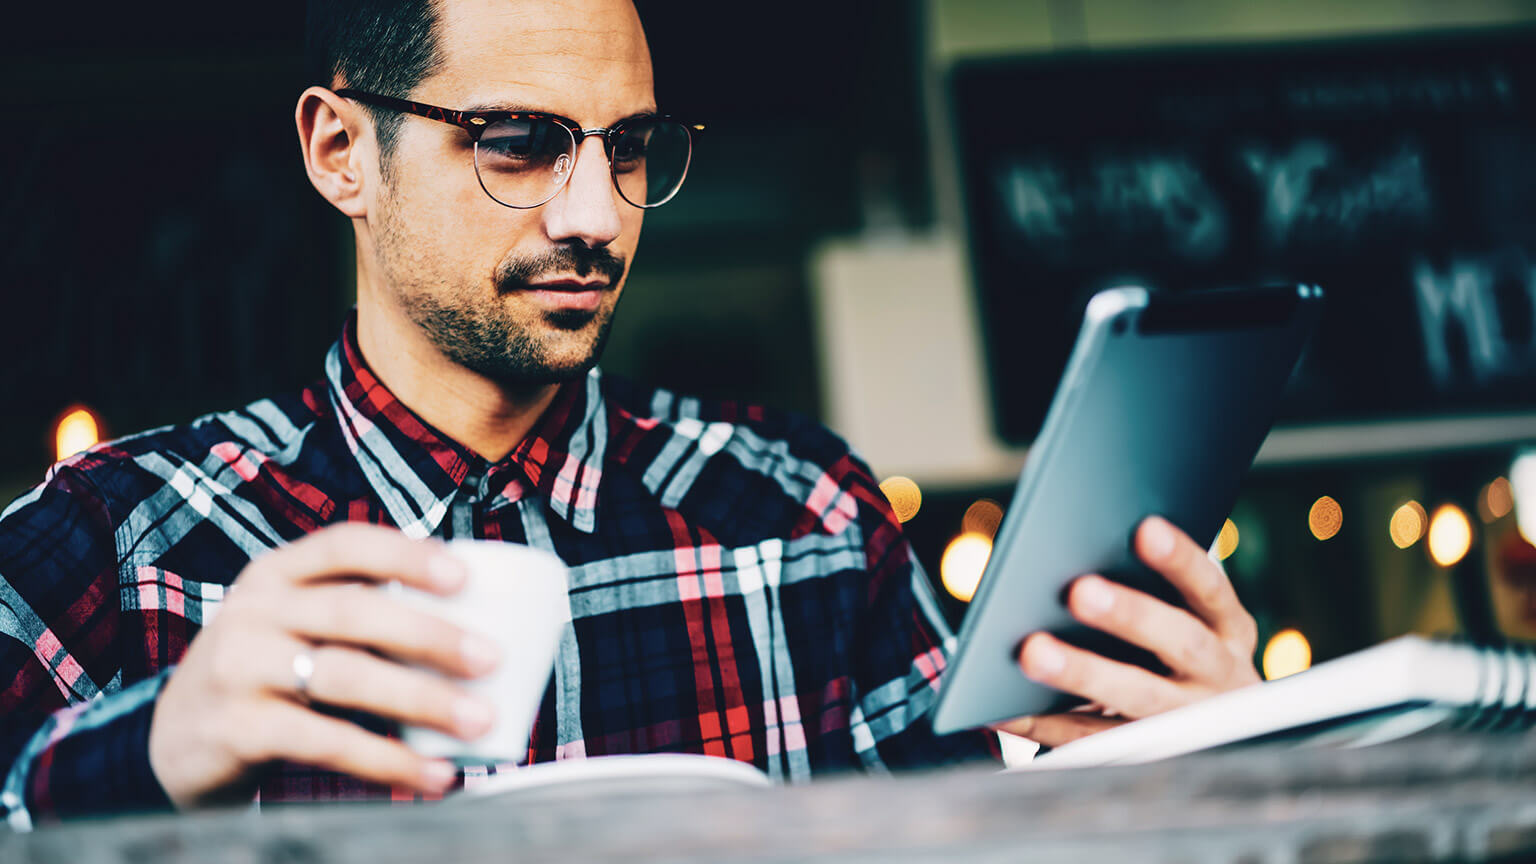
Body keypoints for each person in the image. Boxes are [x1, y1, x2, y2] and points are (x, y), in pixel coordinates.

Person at [0, 0, 1259, 828]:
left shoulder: (806, 521)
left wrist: (1185, 771)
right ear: (342, 153)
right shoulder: (124, 542)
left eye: (632, 146)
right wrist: (151, 748)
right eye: (518, 142)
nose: (597, 215)